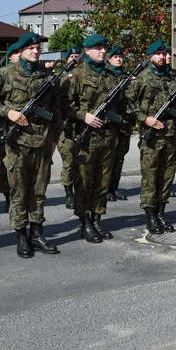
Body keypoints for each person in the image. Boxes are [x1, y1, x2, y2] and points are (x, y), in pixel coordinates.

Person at [0, 32, 62, 259]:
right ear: (21, 50)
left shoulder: (46, 76)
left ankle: (37, 233)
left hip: (42, 142)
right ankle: (21, 236)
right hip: (17, 143)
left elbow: (56, 110)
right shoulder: (6, 74)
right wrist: (9, 112)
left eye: (38, 48)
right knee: (19, 191)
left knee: (39, 190)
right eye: (31, 48)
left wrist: (54, 138)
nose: (35, 51)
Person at [68, 34, 123, 243]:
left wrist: (117, 133)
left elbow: (119, 106)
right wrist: (84, 116)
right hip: (86, 138)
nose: (102, 51)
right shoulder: (78, 75)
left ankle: (97, 217)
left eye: (104, 48)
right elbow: (66, 105)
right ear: (87, 51)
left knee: (103, 180)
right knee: (84, 180)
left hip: (108, 136)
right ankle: (85, 222)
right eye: (98, 48)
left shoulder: (111, 76)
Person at [126, 39, 176, 234]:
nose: (162, 57)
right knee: (150, 177)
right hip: (151, 137)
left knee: (167, 176)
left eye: (164, 53)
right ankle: (150, 216)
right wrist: (145, 119)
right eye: (158, 54)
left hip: (170, 134)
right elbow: (129, 104)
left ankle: (161, 213)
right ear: (150, 57)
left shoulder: (172, 77)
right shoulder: (142, 78)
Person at [0, 43, 21, 213]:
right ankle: (8, 196)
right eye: (15, 53)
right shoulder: (3, 75)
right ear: (10, 56)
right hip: (8, 129)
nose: (19, 56)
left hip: (29, 132)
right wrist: (8, 111)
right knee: (7, 166)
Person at [106, 46, 133, 202]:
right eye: (115, 57)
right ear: (109, 60)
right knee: (109, 158)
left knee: (120, 158)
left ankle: (114, 188)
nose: (118, 59)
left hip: (124, 123)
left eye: (120, 56)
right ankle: (106, 189)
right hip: (110, 123)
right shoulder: (107, 76)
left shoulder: (128, 78)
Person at [58, 45, 81, 210]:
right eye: (71, 56)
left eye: (76, 56)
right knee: (69, 161)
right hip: (67, 126)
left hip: (82, 125)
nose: (74, 58)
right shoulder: (61, 77)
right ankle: (69, 193)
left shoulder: (83, 75)